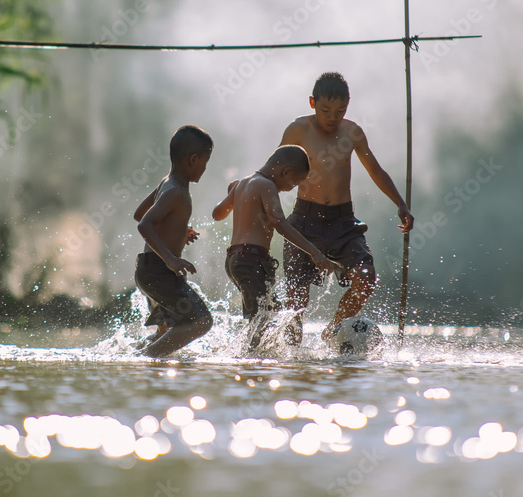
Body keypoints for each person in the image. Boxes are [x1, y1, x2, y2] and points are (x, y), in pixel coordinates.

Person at [279, 72, 414, 344]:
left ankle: (334, 330)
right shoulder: (298, 130)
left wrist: (400, 203)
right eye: (325, 110)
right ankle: (291, 357)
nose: (332, 117)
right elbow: (275, 168)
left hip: (343, 222)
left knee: (366, 278)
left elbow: (375, 170)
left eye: (340, 111)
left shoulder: (352, 133)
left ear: (348, 105)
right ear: (312, 103)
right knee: (297, 299)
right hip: (304, 221)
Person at [212, 145, 337, 349]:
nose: (292, 188)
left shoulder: (242, 183)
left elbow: (217, 214)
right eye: (294, 183)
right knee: (262, 321)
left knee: (271, 315)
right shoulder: (266, 185)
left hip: (236, 260)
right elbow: (281, 224)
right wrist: (315, 253)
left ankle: (257, 356)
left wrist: (232, 193)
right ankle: (248, 362)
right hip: (252, 261)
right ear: (285, 172)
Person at [131, 125, 215, 357]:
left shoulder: (166, 183)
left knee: (166, 331)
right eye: (205, 162)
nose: (205, 169)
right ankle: (145, 358)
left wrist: (177, 229)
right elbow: (144, 223)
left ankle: (135, 357)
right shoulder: (176, 191)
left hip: (148, 270)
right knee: (202, 322)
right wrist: (170, 259)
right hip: (159, 272)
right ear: (193, 159)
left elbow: (140, 213)